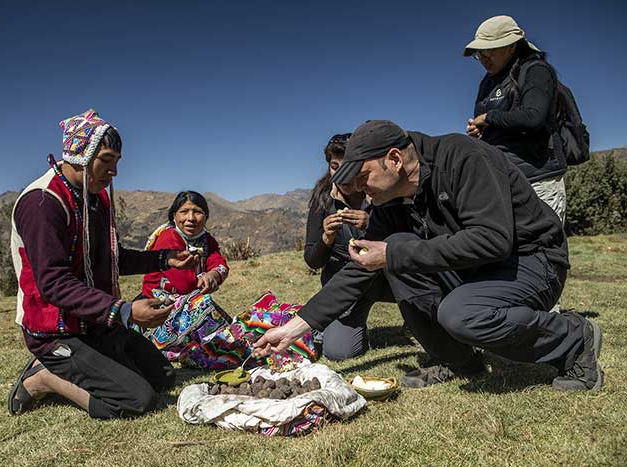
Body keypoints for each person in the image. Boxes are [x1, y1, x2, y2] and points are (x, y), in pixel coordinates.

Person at [254, 120, 604, 392]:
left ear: (394, 159)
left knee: (456, 310)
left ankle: (573, 340)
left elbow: (493, 240)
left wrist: (396, 253)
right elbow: (359, 268)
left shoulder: (464, 157)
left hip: (532, 260)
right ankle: (458, 361)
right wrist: (296, 327)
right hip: (475, 269)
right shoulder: (388, 203)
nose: (360, 190)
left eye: (363, 178)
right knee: (400, 255)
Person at [8, 109, 198, 419]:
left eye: (116, 163)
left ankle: (93, 364)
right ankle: (44, 376)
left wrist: (165, 259)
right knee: (135, 399)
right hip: (58, 331)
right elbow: (53, 283)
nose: (114, 173)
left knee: (163, 376)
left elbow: (110, 258)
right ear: (79, 155)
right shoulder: (43, 203)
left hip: (94, 323)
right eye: (106, 161)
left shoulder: (94, 198)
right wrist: (124, 311)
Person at [464, 15, 567, 225]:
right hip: (503, 181)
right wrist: (480, 130)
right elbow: (497, 123)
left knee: (544, 248)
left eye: (489, 51)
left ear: (511, 46)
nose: (483, 58)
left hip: (538, 178)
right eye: (479, 54)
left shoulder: (535, 70)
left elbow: (533, 116)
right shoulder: (488, 82)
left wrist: (489, 117)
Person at [304, 133, 392, 360]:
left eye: (349, 167)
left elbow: (406, 238)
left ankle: (419, 319)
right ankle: (345, 327)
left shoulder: (381, 190)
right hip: (346, 286)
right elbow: (312, 260)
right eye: (335, 167)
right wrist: (327, 238)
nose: (341, 175)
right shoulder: (322, 199)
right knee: (338, 352)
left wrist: (372, 223)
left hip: (386, 278)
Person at [141, 191, 229, 299]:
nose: (191, 218)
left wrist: (214, 274)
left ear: (206, 217)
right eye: (184, 212)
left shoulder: (206, 239)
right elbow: (184, 285)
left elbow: (218, 261)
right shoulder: (168, 238)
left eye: (197, 212)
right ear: (174, 216)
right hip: (158, 302)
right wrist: (206, 280)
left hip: (189, 298)